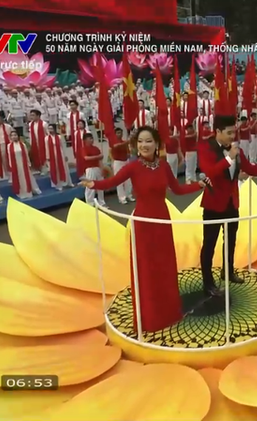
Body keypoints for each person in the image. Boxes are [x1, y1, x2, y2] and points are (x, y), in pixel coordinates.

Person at [80, 126, 208, 331]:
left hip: (163, 222)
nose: (144, 145)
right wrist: (93, 184)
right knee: (147, 271)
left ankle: (169, 314)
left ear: (156, 144)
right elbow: (112, 182)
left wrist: (199, 186)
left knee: (164, 267)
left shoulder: (164, 166)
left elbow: (177, 189)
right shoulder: (132, 167)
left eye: (148, 141)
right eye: (140, 141)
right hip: (143, 224)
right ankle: (150, 319)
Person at [197, 115, 257, 296]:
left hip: (232, 203)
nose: (232, 136)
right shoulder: (206, 148)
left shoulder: (236, 150)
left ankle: (228, 271)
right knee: (209, 244)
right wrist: (228, 159)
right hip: (213, 204)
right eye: (229, 133)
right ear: (217, 132)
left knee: (230, 240)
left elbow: (251, 169)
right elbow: (210, 172)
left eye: (234, 132)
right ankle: (208, 283)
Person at [7, 130, 42, 199]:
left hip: (23, 164)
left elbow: (26, 155)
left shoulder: (23, 145)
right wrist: (11, 165)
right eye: (12, 135)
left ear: (18, 136)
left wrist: (29, 164)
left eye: (15, 135)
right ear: (10, 137)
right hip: (15, 165)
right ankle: (22, 192)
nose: (14, 137)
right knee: (19, 179)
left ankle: (30, 191)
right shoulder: (9, 146)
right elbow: (9, 156)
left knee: (27, 177)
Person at [109, 127, 135, 204]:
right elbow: (116, 146)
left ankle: (128, 195)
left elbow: (128, 151)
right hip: (118, 162)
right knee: (119, 180)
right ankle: (121, 198)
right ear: (115, 134)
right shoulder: (113, 142)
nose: (120, 134)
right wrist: (127, 142)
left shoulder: (124, 142)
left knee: (128, 180)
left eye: (121, 133)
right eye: (118, 133)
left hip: (125, 161)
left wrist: (129, 153)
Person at [46, 123, 73, 191]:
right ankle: (58, 184)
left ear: (54, 129)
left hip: (60, 154)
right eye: (49, 128)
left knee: (65, 168)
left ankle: (68, 182)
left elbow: (63, 147)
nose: (50, 130)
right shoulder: (46, 138)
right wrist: (48, 156)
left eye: (51, 128)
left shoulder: (59, 137)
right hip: (52, 155)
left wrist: (65, 155)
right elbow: (46, 148)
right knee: (56, 169)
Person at [81, 133, 106, 207]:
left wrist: (102, 169)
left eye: (92, 138)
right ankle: (90, 203)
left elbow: (100, 160)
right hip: (90, 169)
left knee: (100, 185)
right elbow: (86, 158)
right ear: (85, 140)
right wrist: (97, 156)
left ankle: (101, 202)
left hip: (97, 168)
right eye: (90, 138)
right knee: (90, 186)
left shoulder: (96, 148)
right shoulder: (84, 149)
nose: (92, 140)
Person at [28, 109, 48, 174]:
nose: (31, 117)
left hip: (43, 142)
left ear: (38, 116)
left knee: (44, 155)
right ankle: (38, 168)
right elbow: (30, 134)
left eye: (33, 115)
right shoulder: (30, 124)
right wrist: (31, 143)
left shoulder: (44, 124)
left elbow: (47, 134)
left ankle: (45, 169)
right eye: (31, 115)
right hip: (34, 143)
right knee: (36, 155)